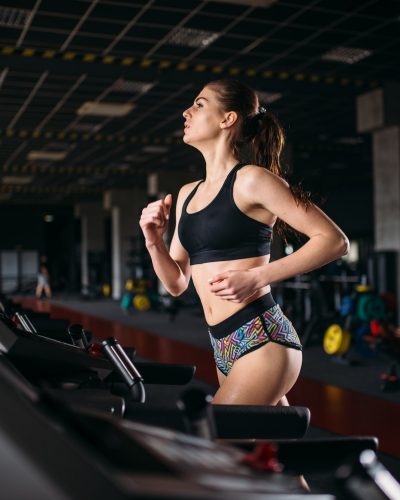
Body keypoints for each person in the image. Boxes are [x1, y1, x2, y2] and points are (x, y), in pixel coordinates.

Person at [139, 79, 349, 406]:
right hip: (222, 344)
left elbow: (334, 241)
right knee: (260, 452)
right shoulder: (185, 194)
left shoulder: (252, 180)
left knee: (215, 442)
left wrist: (256, 277)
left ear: (228, 119)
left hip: (261, 338)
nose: (186, 111)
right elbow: (177, 284)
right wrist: (154, 241)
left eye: (199, 104)